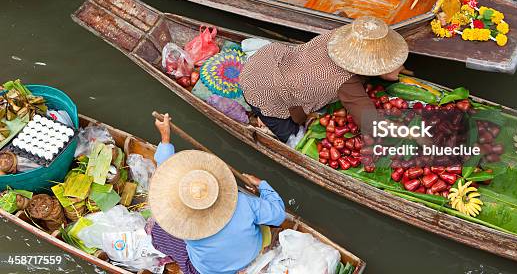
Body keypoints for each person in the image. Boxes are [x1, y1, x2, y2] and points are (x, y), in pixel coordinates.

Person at [148, 114, 286, 274]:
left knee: (157, 231)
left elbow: (163, 174)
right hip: (251, 252)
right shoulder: (241, 202)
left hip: (213, 270)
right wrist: (262, 184)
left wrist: (165, 137)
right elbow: (279, 214)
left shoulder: (182, 223)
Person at [239, 16, 409, 143]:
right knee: (295, 140)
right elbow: (372, 125)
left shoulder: (342, 35)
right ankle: (262, 115)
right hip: (263, 89)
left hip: (266, 59)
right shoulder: (346, 82)